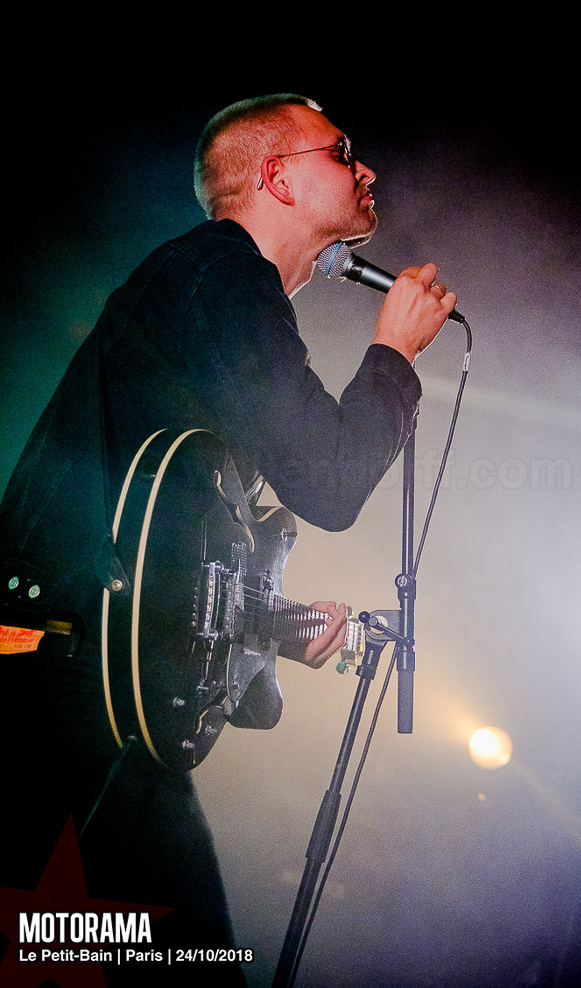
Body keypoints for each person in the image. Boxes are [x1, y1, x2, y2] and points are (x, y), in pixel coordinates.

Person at [0, 93, 457, 985]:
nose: (366, 168)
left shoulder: (212, 295)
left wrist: (270, 626)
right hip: (62, 689)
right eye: (341, 152)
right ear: (275, 177)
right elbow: (328, 482)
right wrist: (394, 356)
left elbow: (169, 541)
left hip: (83, 686)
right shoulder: (219, 273)